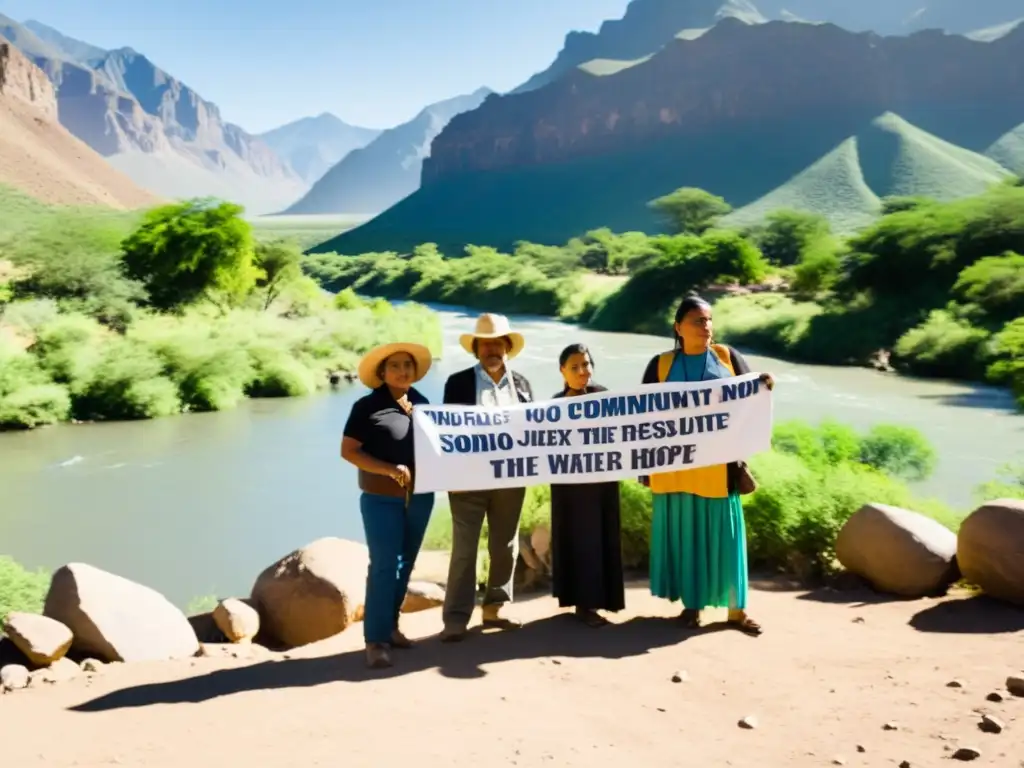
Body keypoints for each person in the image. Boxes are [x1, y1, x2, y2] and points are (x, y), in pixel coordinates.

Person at [641, 294, 774, 636]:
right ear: (678, 327)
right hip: (676, 470)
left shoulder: (727, 357)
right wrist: (644, 466)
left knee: (726, 539)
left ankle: (737, 611)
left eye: (709, 320)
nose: (706, 326)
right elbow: (640, 418)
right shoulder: (661, 365)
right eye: (698, 321)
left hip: (719, 470)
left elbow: (753, 400)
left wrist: (765, 386)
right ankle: (693, 606)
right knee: (689, 539)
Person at [439, 312, 535, 642]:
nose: (492, 350)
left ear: (507, 347)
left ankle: (496, 608)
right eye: (486, 345)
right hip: (467, 481)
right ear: (477, 349)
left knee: (504, 546)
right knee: (464, 548)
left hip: (510, 480)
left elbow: (534, 430)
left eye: (498, 344)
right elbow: (446, 432)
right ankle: (455, 616)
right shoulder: (458, 383)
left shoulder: (522, 384)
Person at [340, 341, 435, 669]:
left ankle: (391, 627)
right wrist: (388, 470)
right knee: (384, 564)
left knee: (405, 563)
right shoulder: (367, 406)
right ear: (382, 372)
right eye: (394, 365)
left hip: (421, 496)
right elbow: (349, 451)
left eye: (407, 365)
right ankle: (376, 640)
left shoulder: (423, 404)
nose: (402, 370)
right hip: (381, 497)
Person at [549, 343, 626, 627]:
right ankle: (582, 605)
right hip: (569, 487)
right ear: (562, 372)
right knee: (577, 540)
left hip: (601, 484)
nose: (582, 372)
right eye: (574, 367)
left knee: (600, 538)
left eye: (586, 365)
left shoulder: (605, 397)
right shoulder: (553, 406)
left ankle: (601, 601)